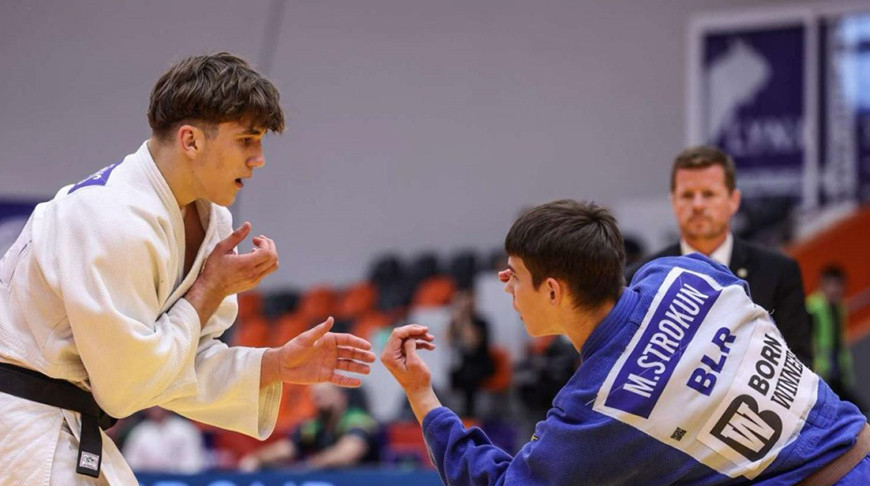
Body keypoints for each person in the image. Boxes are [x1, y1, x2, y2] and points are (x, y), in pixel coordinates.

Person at [0, 52, 375, 485]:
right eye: (247, 139)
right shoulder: (108, 216)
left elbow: (175, 363)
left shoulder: (212, 220)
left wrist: (273, 365)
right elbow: (126, 388)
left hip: (64, 422)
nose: (259, 158)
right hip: (20, 426)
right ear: (191, 141)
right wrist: (207, 290)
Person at [381, 199, 870, 485]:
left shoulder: (598, 411)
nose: (504, 282)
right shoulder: (686, 269)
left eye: (516, 274)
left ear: (553, 290)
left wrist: (422, 396)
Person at [626, 146, 813, 366]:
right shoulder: (640, 278)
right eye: (687, 195)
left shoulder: (778, 272)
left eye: (709, 194)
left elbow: (799, 364)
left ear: (733, 200)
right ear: (673, 201)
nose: (697, 205)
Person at [238, 383, 379, 471]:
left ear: (341, 396)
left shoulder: (357, 419)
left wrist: (310, 465)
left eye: (324, 395)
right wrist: (256, 458)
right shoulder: (314, 426)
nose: (319, 401)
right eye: (316, 397)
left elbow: (347, 453)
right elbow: (286, 448)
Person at [807, 265, 868, 413]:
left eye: (838, 285)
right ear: (822, 284)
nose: (834, 289)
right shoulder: (812, 308)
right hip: (821, 374)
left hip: (838, 371)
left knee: (857, 410)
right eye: (830, 284)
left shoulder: (840, 308)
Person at [121, 407, 207, 474]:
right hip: (147, 480)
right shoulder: (140, 432)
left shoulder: (185, 429)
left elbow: (193, 463)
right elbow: (131, 464)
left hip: (180, 480)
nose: (156, 408)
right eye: (152, 405)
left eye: (159, 404)